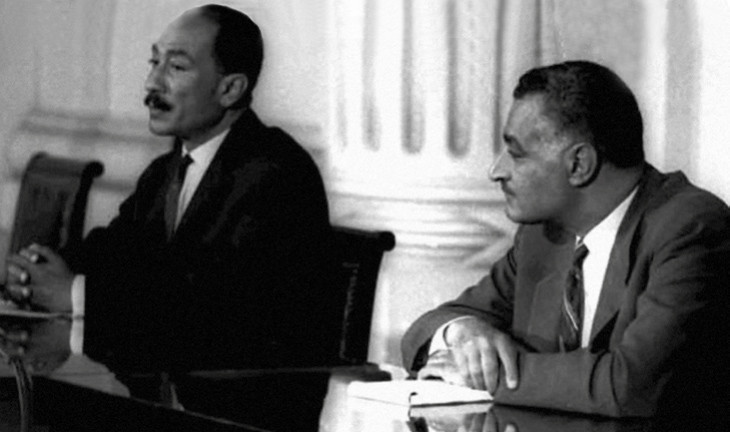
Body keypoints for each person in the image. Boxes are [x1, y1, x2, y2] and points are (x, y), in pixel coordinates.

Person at [3, 4, 337, 372]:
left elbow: (216, 310)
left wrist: (74, 294)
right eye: (154, 62)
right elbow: (112, 253)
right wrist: (37, 273)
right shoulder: (165, 172)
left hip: (244, 397)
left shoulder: (278, 174)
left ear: (230, 88)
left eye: (176, 67)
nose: (152, 83)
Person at [401, 60, 730, 418]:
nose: (496, 171)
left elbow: (632, 385)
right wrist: (462, 334)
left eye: (516, 154)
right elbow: (430, 326)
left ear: (579, 164)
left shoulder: (692, 227)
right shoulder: (542, 236)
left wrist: (484, 374)